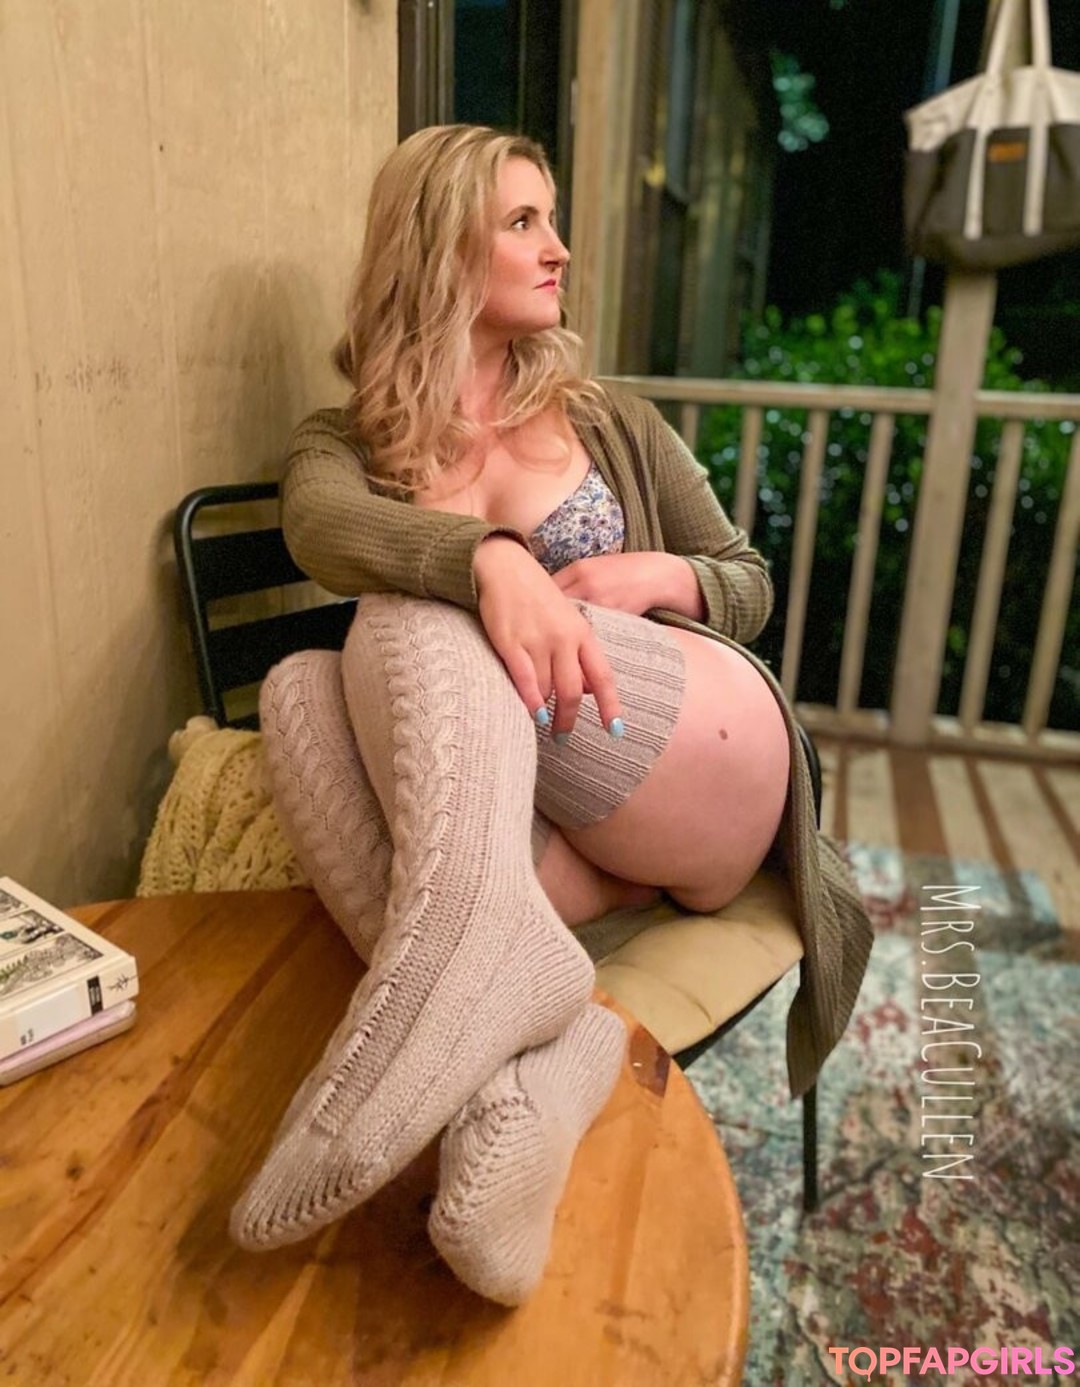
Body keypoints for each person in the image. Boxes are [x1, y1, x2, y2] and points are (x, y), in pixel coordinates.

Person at [229, 124, 871, 1304]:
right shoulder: (346, 444)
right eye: (524, 221)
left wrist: (660, 574)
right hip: (555, 826)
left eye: (551, 218)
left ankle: (455, 966)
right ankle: (538, 1063)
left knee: (400, 614)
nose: (559, 246)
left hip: (696, 762)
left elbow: (747, 578)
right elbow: (318, 527)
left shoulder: (608, 418)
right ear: (437, 247)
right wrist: (490, 559)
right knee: (296, 691)